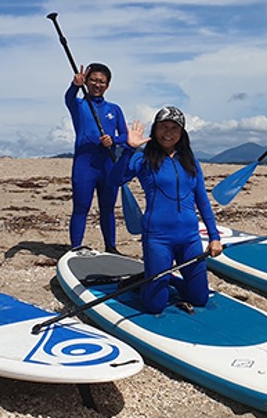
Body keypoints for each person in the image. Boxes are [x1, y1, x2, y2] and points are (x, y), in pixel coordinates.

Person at [110, 106, 223, 314]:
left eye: (174, 128)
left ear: (182, 133)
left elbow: (203, 201)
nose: (168, 133)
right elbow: (115, 180)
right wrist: (128, 149)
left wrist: (214, 237)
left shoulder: (190, 161)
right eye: (163, 127)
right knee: (155, 306)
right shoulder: (143, 158)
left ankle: (166, 277)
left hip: (190, 238)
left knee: (200, 299)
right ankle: (151, 280)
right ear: (155, 129)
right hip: (158, 238)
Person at [65, 62, 128, 253]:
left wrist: (113, 140)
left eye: (102, 81)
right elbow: (68, 98)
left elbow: (126, 136)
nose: (97, 84)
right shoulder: (79, 105)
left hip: (108, 165)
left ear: (107, 85)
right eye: (93, 80)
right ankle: (76, 247)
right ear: (87, 81)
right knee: (81, 207)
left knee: (108, 208)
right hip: (85, 166)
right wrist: (74, 85)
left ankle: (111, 247)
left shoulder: (114, 109)